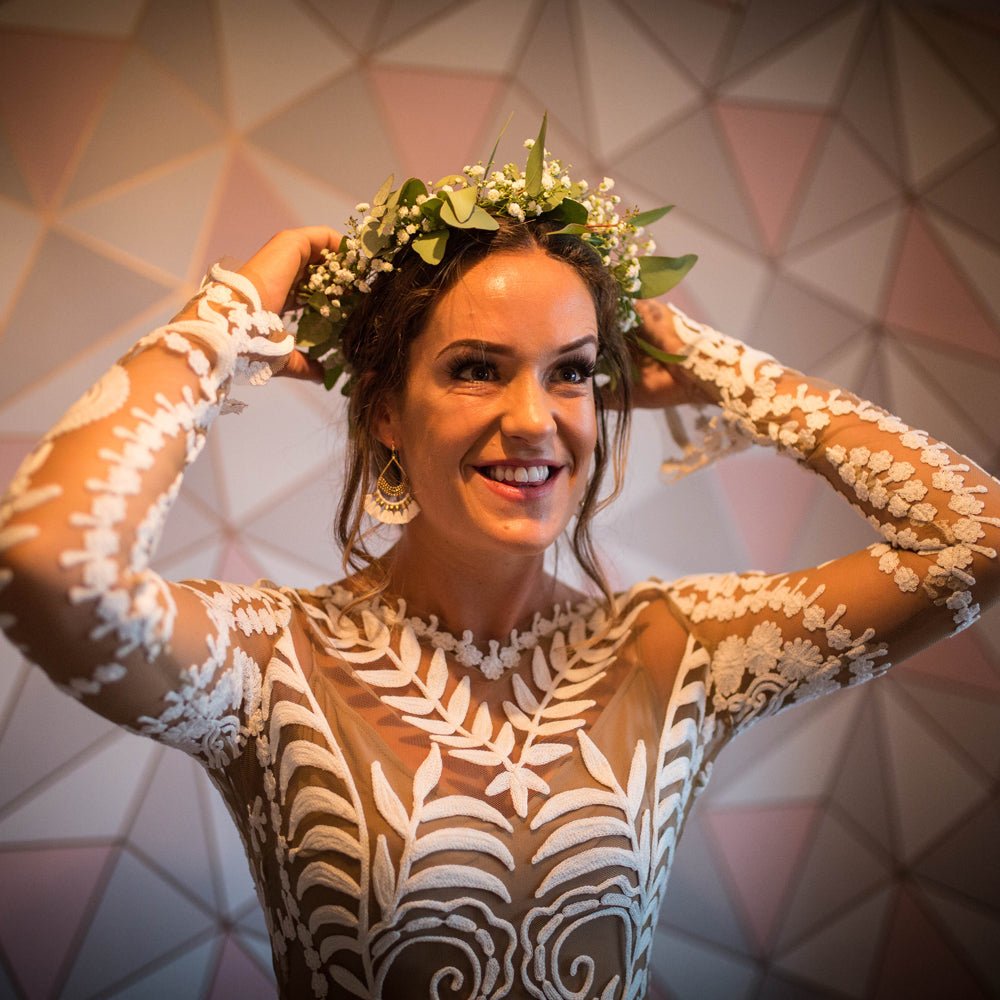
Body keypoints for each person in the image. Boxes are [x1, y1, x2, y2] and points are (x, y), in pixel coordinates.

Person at [0, 127, 997, 1000]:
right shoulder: (269, 667)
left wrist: (714, 367)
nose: (536, 420)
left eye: (571, 372)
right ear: (384, 410)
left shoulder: (678, 651)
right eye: (476, 368)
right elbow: (49, 562)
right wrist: (229, 320)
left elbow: (976, 536)